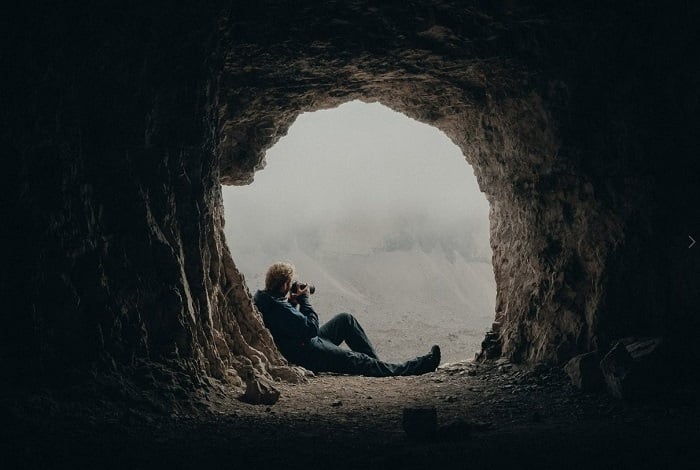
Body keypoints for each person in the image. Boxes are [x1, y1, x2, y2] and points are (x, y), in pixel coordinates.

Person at [253, 261, 441, 377]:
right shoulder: (278, 307)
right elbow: (310, 327)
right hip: (311, 352)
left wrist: (293, 303)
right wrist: (304, 300)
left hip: (305, 343)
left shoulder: (268, 299)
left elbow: (290, 326)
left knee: (345, 320)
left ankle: (378, 368)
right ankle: (421, 365)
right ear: (286, 284)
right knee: (359, 360)